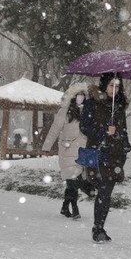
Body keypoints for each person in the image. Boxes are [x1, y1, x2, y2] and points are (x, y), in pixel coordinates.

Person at [79, 73, 131, 243]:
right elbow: (84, 127)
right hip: (98, 151)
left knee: (107, 191)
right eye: (111, 86)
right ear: (104, 85)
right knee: (103, 188)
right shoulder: (92, 103)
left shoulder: (119, 105)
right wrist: (103, 131)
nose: (114, 90)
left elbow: (122, 129)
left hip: (115, 154)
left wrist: (125, 145)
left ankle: (98, 227)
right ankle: (98, 228)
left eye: (117, 86)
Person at [41, 83, 90, 219]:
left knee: (72, 182)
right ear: (73, 97)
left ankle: (64, 207)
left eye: (83, 95)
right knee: (73, 180)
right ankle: (74, 208)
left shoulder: (87, 111)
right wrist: (46, 147)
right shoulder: (65, 112)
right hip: (67, 150)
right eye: (78, 95)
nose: (81, 98)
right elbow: (54, 129)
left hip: (82, 150)